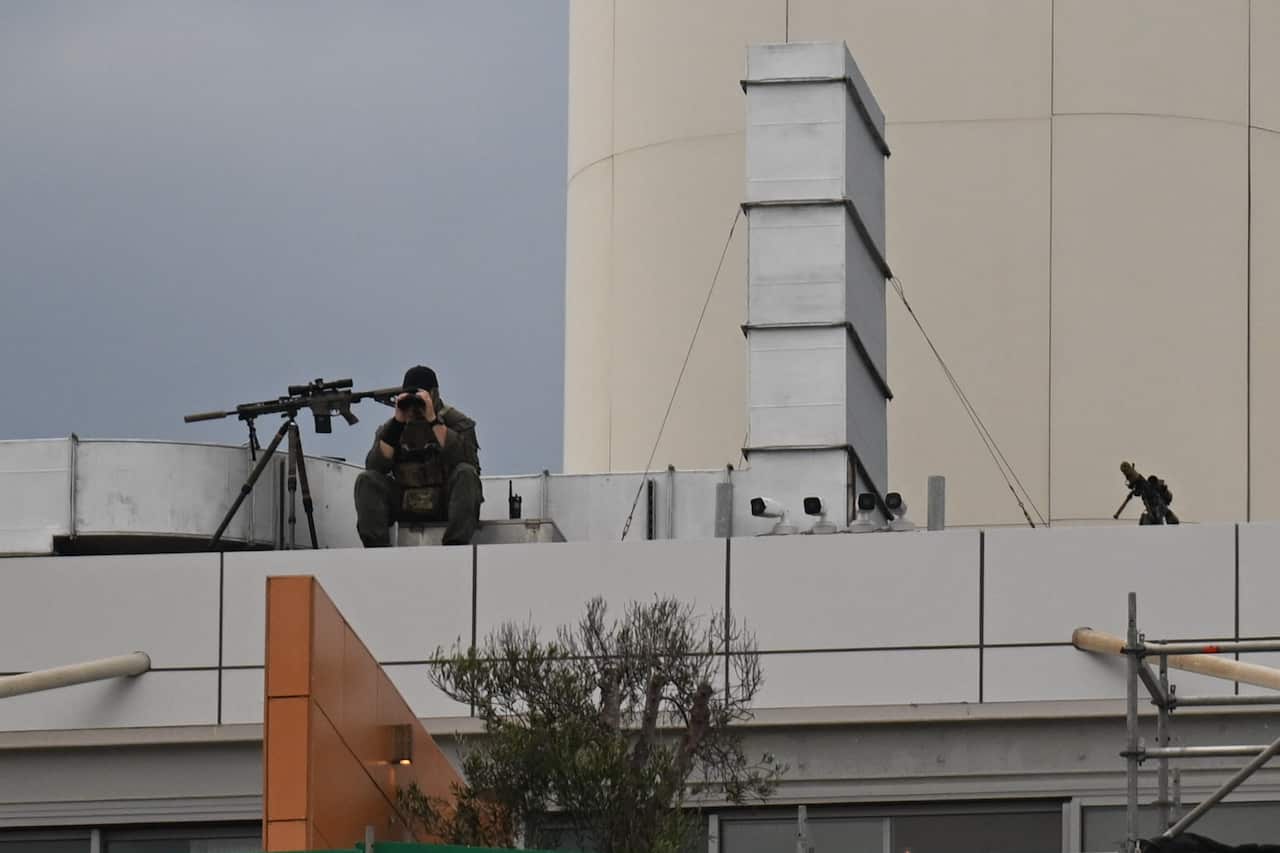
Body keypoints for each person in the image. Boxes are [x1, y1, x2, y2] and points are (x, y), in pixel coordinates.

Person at [354, 365, 482, 546]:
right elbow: (375, 467)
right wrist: (398, 422)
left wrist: (432, 419)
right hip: (405, 499)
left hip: (444, 500)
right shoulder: (392, 429)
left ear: (434, 394)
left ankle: (455, 546)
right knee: (366, 480)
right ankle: (376, 549)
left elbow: (469, 464)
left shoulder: (457, 423)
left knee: (466, 474)